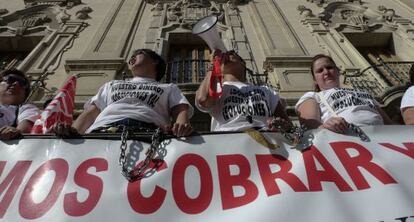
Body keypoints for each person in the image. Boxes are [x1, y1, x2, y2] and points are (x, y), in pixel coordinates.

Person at [54, 48, 193, 137]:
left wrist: (181, 126)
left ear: (155, 62)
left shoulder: (169, 88)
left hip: (148, 133)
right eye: (131, 56)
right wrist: (73, 131)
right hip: (102, 131)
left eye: (138, 54)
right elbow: (91, 113)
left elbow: (180, 110)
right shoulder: (111, 85)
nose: (132, 57)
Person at [196, 50, 291, 131]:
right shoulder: (218, 89)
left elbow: (289, 126)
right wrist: (214, 64)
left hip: (265, 143)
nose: (227, 55)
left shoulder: (266, 90)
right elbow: (204, 100)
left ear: (243, 63)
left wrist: (280, 124)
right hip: (229, 144)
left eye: (231, 53)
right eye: (224, 56)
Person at [296, 54, 393, 133]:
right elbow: (310, 127)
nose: (326, 72)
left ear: (338, 71)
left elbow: (389, 124)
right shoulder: (312, 96)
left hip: (383, 138)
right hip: (347, 141)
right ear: (315, 80)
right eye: (320, 71)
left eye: (329, 67)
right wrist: (325, 127)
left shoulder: (363, 93)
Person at [0, 68, 40, 140]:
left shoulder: (26, 109)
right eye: (11, 79)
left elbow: (22, 132)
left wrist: (14, 132)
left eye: (22, 83)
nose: (16, 84)